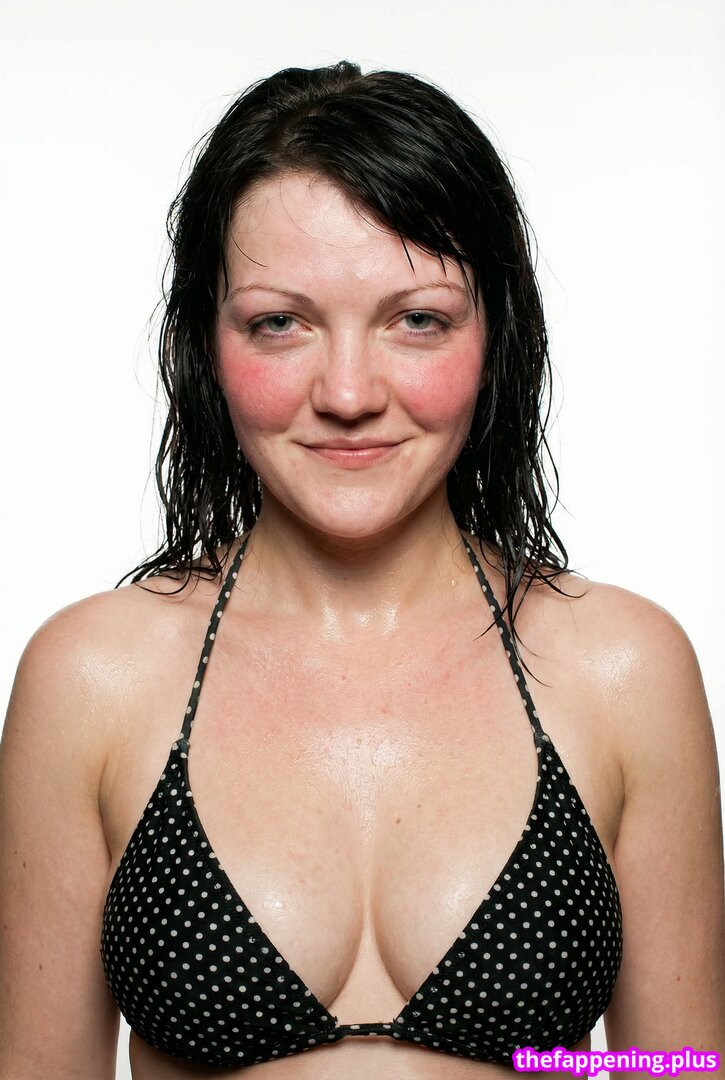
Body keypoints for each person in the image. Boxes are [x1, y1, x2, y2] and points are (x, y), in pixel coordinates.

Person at [0, 59, 723, 1080]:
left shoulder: (622, 670)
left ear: (496, 336)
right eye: (279, 323)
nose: (347, 393)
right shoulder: (92, 679)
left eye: (416, 319)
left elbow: (679, 1070)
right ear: (206, 342)